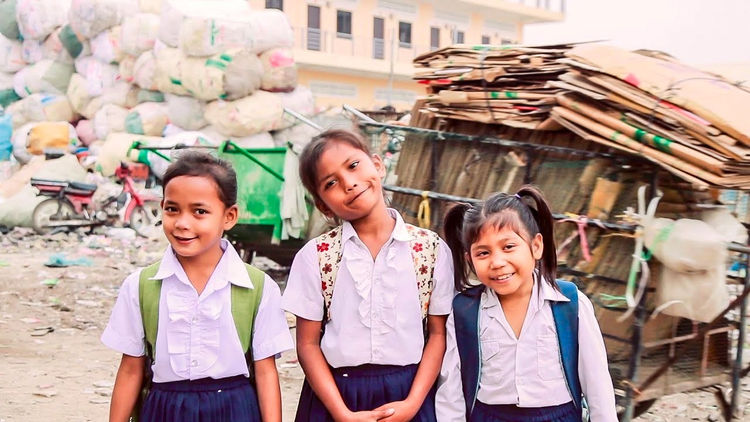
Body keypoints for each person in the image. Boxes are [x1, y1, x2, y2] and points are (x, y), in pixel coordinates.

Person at [102, 151, 293, 422]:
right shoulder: (140, 287)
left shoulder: (259, 288)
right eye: (172, 209)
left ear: (229, 216)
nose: (182, 223)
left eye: (199, 211)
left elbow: (265, 371)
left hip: (235, 410)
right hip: (164, 410)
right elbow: (131, 370)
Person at [283, 129, 455, 421]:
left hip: (410, 392)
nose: (349, 183)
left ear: (377, 164)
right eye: (331, 182)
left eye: (353, 165)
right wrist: (342, 414)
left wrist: (413, 403)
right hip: (336, 397)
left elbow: (438, 334)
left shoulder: (431, 249)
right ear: (323, 205)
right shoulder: (317, 256)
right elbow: (308, 344)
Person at [437, 186, 618, 422]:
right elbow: (451, 391)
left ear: (536, 246)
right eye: (483, 253)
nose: (498, 262)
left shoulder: (570, 304)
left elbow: (597, 383)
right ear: (469, 259)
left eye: (508, 247)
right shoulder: (464, 312)